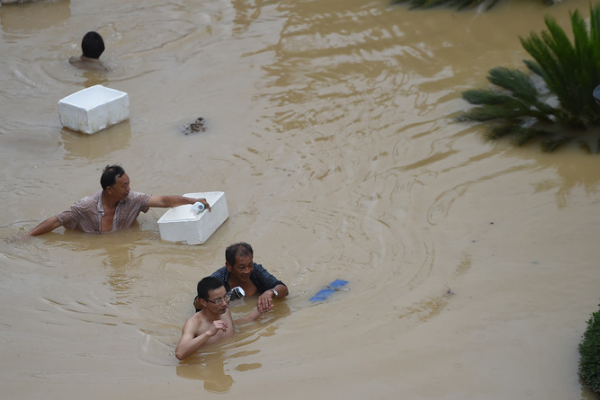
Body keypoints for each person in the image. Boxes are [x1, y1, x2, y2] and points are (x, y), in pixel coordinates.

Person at [25, 164, 211, 237]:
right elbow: (56, 221)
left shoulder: (133, 199)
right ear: (109, 189)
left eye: (128, 184)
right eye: (124, 186)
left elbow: (163, 200)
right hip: (87, 238)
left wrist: (192, 200)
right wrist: (27, 236)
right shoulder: (86, 205)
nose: (128, 189)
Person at [176, 276, 269, 360]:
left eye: (225, 297)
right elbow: (180, 353)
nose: (224, 303)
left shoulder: (225, 310)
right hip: (208, 363)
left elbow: (234, 325)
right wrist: (208, 333)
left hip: (228, 358)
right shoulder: (194, 323)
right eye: (218, 300)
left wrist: (257, 312)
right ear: (203, 302)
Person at [193, 242, 288, 313]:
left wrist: (270, 292)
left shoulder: (256, 271)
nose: (247, 271)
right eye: (241, 268)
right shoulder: (218, 279)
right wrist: (225, 298)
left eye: (250, 265)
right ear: (229, 266)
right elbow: (198, 305)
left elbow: (283, 289)